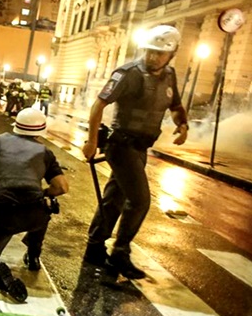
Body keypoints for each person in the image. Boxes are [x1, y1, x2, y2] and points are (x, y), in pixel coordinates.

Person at [81, 25, 189, 279]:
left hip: (141, 147)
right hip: (121, 145)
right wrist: (91, 140)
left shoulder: (170, 75)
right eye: (150, 52)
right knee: (140, 200)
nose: (153, 57)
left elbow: (175, 105)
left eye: (160, 54)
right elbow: (99, 104)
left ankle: (94, 247)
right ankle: (120, 252)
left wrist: (182, 124)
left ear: (172, 54)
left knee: (114, 199)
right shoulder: (128, 73)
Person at [0, 107, 68, 302]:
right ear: (40, 132)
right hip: (34, 214)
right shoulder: (45, 152)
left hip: (3, 214)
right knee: (45, 207)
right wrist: (42, 193)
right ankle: (33, 255)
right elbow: (62, 187)